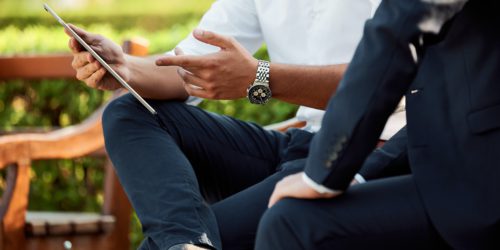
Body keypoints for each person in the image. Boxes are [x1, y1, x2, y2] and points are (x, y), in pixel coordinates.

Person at [66, 0, 406, 249]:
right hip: (298, 143)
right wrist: (124, 67)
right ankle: (187, 243)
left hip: (366, 154)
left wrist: (260, 78)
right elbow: (188, 67)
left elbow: (385, 81)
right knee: (129, 113)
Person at [255, 0, 500, 249]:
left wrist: (322, 173)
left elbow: (398, 32)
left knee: (289, 223)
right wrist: (360, 173)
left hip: (475, 180)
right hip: (407, 157)